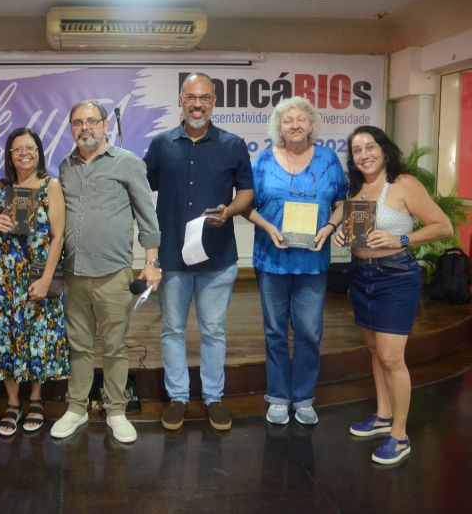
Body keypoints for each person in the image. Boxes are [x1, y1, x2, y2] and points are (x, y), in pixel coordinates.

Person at [333, 126, 452, 464]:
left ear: (384, 150)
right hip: (361, 276)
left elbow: (443, 226)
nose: (364, 155)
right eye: (357, 150)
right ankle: (383, 415)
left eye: (370, 147)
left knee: (390, 357)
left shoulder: (404, 184)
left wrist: (400, 239)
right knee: (374, 350)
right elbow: (355, 230)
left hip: (395, 277)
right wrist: (341, 234)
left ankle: (399, 436)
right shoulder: (357, 189)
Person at [144, 72, 254, 432]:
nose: (197, 104)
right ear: (180, 100)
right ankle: (178, 397)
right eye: (191, 97)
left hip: (217, 258)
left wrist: (230, 211)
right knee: (172, 331)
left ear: (214, 102)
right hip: (172, 258)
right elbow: (143, 188)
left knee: (213, 332)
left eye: (204, 97)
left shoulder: (233, 145)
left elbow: (246, 192)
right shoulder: (161, 144)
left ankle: (213, 398)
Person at [50, 100, 161, 444]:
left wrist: (151, 262)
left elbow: (147, 216)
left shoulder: (128, 163)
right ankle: (77, 408)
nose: (85, 127)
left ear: (104, 125)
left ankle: (116, 410)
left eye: (91, 121)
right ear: (71, 128)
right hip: (74, 273)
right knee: (79, 346)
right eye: (77, 122)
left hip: (114, 273)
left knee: (114, 347)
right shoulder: (66, 166)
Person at [244, 97, 348, 426]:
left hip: (312, 263)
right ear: (279, 127)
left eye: (301, 119)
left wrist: (329, 228)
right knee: (275, 331)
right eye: (287, 120)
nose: (294, 125)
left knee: (309, 332)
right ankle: (277, 396)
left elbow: (342, 203)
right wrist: (267, 227)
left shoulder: (328, 160)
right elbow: (246, 206)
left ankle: (303, 396)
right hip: (271, 260)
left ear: (311, 124)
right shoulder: (264, 161)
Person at [0, 127, 69, 437]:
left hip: (36, 276)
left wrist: (46, 279)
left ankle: (36, 399)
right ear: (9, 155)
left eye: (30, 148)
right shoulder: (0, 187)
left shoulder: (50, 186)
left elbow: (58, 237)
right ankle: (13, 402)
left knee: (38, 336)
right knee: (5, 337)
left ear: (39, 152)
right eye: (18, 149)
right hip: (2, 280)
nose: (24, 153)